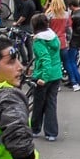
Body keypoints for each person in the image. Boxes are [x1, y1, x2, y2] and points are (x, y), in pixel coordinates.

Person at [30, 13, 62, 142]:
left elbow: (45, 58)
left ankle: (35, 129)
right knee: (51, 103)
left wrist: (44, 77)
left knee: (38, 103)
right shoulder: (54, 37)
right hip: (56, 74)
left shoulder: (39, 41)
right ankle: (51, 132)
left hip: (43, 76)